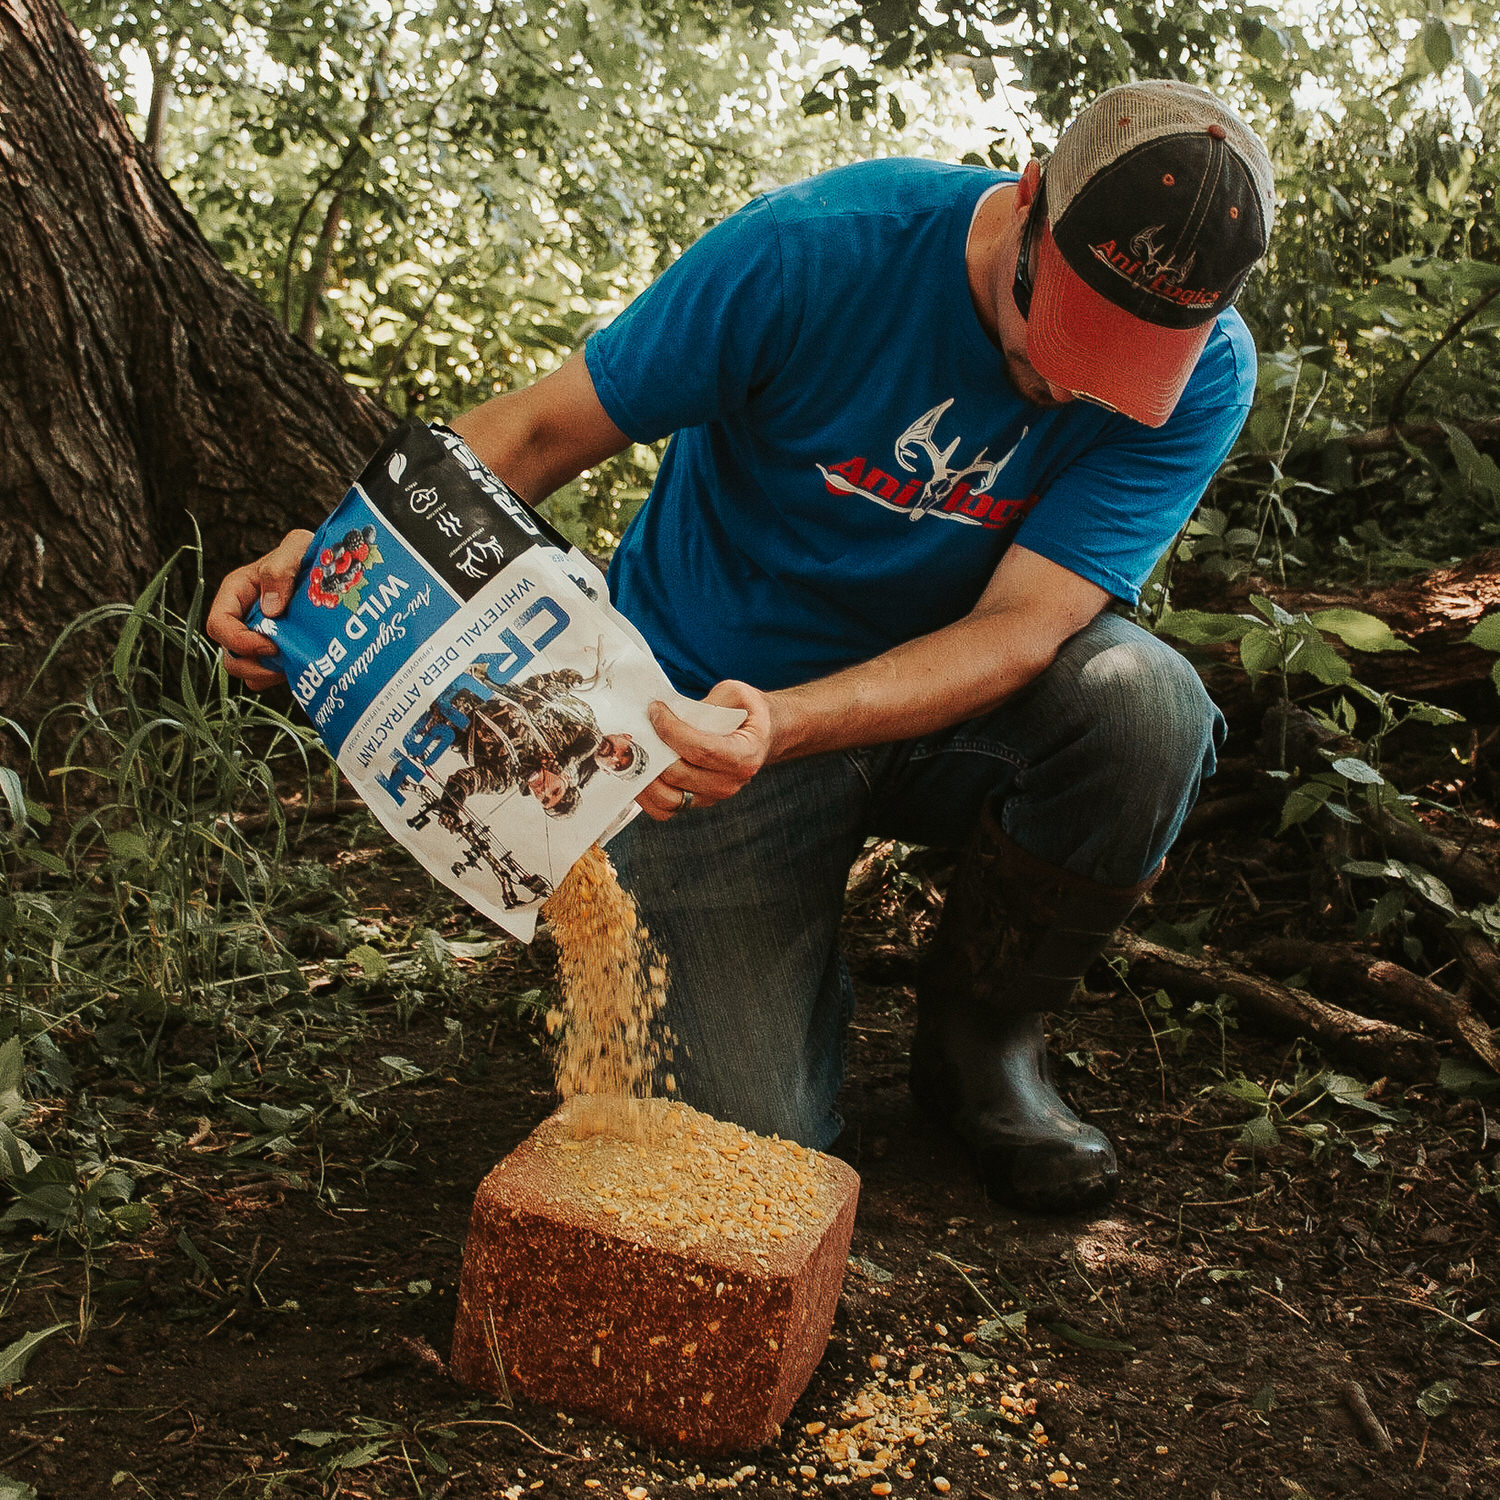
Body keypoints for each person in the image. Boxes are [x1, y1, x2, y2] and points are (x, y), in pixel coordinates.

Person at [209, 79, 1275, 1214]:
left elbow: (1024, 630)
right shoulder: (818, 253)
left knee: (1144, 703)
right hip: (689, 729)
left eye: (1121, 362)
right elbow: (536, 429)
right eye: (1065, 333)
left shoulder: (1206, 374)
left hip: (926, 711)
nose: (1072, 383)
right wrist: (340, 564)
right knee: (739, 1165)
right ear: (1027, 208)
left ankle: (983, 1046)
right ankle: (777, 962)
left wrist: (791, 727)